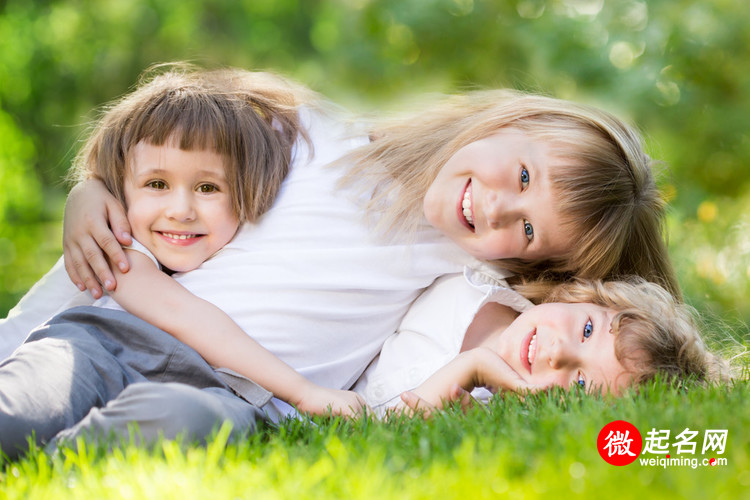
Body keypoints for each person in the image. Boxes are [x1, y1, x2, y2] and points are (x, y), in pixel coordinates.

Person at [1, 65, 677, 453]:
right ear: (510, 122)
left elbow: (575, 336)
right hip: (112, 337)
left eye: (527, 231)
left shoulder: (461, 274)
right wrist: (91, 186)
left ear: (533, 267)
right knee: (28, 406)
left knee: (191, 424)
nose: (497, 208)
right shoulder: (308, 127)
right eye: (524, 176)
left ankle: (59, 471)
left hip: (231, 397)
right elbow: (154, 138)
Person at [0, 66, 371, 460]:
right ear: (120, 190)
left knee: (191, 420)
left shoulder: (260, 246)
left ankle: (50, 461)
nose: (180, 210)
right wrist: (303, 392)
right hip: (96, 352)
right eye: (156, 184)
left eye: (207, 188)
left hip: (213, 390)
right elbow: (177, 310)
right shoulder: (123, 240)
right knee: (22, 410)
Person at [353, 274, 729, 418]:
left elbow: (374, 435)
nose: (559, 353)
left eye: (581, 385)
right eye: (586, 330)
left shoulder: (483, 417)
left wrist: (471, 366)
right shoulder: (470, 283)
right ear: (588, 296)